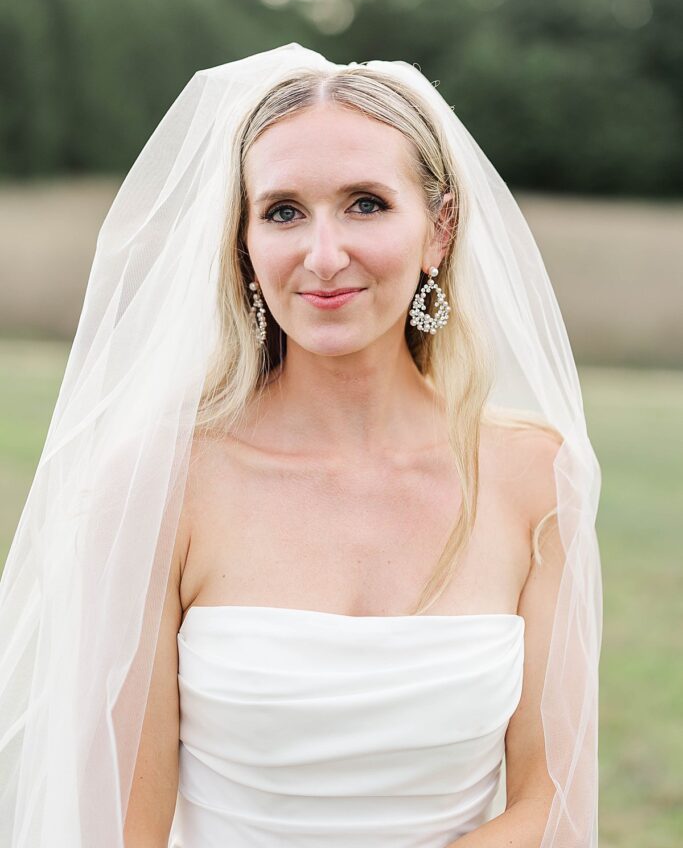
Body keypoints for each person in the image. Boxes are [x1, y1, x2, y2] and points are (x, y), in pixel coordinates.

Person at [0, 43, 602, 848]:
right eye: (283, 211)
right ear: (243, 243)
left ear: (439, 230)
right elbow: (117, 826)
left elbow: (551, 801)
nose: (323, 256)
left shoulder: (535, 478)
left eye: (365, 204)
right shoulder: (162, 482)